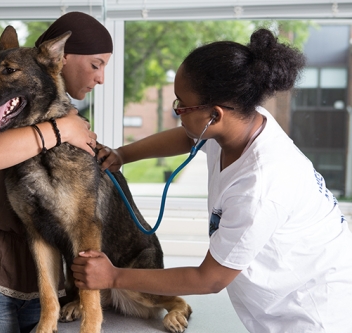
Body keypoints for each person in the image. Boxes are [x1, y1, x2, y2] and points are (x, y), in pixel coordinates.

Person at [72, 28, 352, 332]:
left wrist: (112, 277)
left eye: (182, 104)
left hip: (311, 316)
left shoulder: (259, 187)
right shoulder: (241, 120)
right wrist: (123, 154)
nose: (177, 111)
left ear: (214, 116)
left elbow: (210, 279)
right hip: (285, 299)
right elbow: (188, 136)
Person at [0, 12, 113, 333]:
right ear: (62, 58)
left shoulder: (59, 115)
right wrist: (62, 128)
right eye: (96, 64)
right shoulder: (6, 112)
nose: (101, 77)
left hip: (44, 288)